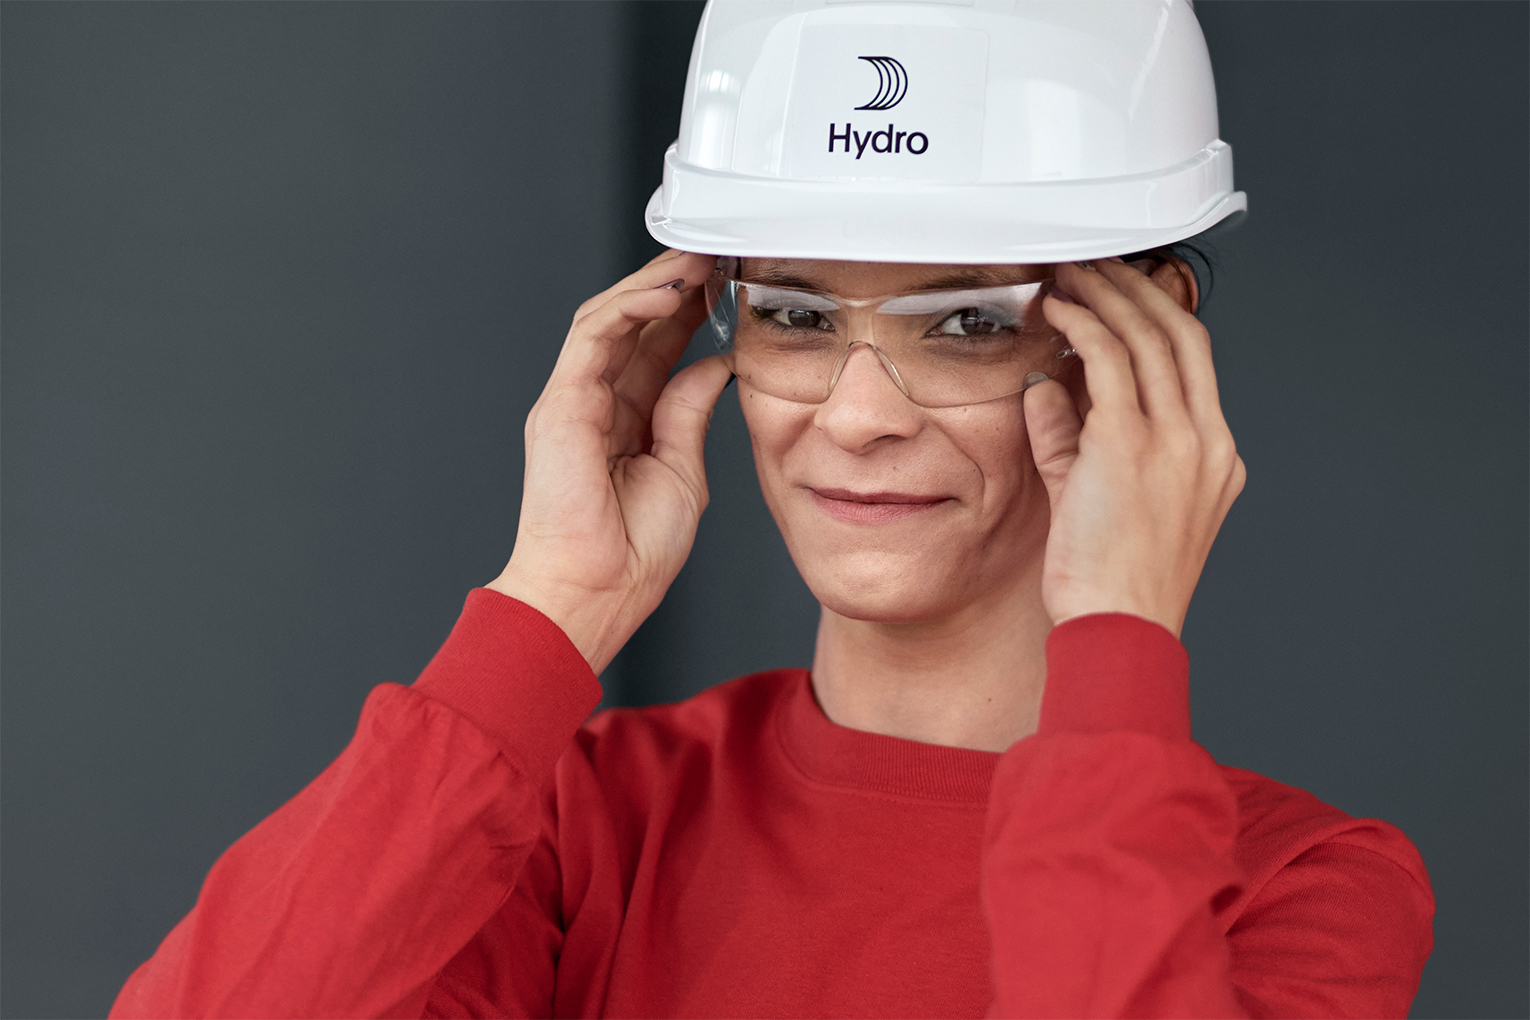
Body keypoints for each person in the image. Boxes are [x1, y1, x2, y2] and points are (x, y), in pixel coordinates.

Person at [111, 2, 1434, 1017]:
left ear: (1143, 350)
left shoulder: (1296, 889)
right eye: (794, 315)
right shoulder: (574, 824)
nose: (855, 413)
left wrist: (1117, 639)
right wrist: (547, 612)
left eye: (966, 320)